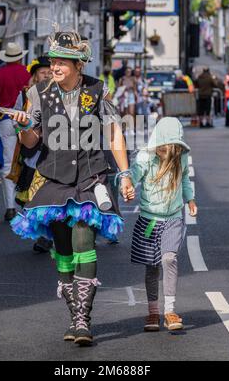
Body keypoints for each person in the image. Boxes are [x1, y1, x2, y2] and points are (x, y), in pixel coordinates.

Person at [9, 30, 135, 346]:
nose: (55, 65)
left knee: (83, 236)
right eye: (53, 60)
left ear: (79, 63)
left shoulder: (97, 89)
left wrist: (125, 173)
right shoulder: (38, 93)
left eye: (62, 60)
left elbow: (113, 133)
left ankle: (83, 320)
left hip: (92, 178)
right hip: (53, 180)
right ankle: (73, 313)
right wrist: (24, 126)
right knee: (62, 249)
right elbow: (31, 143)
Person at [130, 117, 197, 332]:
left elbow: (185, 179)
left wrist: (190, 199)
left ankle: (170, 311)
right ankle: (153, 312)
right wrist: (127, 184)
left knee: (169, 258)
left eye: (170, 149)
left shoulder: (181, 158)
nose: (165, 153)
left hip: (173, 218)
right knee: (151, 268)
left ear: (177, 147)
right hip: (149, 220)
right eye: (161, 149)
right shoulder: (145, 157)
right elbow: (132, 175)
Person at [0, 42, 30, 221]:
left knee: (8, 164)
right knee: (31, 162)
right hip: (26, 120)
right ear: (20, 57)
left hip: (6, 122)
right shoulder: (27, 73)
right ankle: (28, 205)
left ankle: (10, 207)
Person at [13, 56, 53, 254]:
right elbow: (17, 118)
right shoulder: (26, 94)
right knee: (33, 198)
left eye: (49, 71)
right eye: (43, 71)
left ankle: (47, 237)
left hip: (54, 153)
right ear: (36, 74)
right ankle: (43, 235)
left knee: (49, 197)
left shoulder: (58, 92)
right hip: (32, 154)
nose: (46, 74)